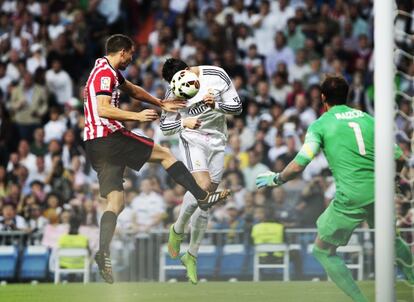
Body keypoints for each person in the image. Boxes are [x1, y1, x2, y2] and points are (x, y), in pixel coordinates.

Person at [84, 35, 230, 284]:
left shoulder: (105, 70)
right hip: (110, 137)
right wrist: (137, 117)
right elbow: (103, 109)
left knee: (116, 202)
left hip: (95, 144)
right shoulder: (105, 75)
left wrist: (159, 102)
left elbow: (132, 90)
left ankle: (102, 251)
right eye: (130, 54)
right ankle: (202, 196)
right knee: (165, 154)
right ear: (122, 52)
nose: (132, 59)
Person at [256, 75, 413, 302]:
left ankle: (362, 301)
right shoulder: (369, 119)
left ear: (323, 98)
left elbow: (301, 163)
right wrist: (393, 182)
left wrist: (277, 179)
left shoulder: (320, 124)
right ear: (346, 96)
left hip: (351, 196)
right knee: (390, 239)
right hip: (381, 193)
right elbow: (398, 156)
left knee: (322, 250)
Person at [160, 57, 242, 284]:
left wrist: (215, 104)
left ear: (188, 71)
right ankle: (177, 230)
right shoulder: (174, 90)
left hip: (218, 140)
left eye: (179, 80)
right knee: (203, 188)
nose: (176, 89)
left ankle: (192, 255)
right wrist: (182, 123)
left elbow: (237, 107)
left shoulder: (216, 75)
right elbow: (165, 127)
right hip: (193, 140)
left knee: (205, 201)